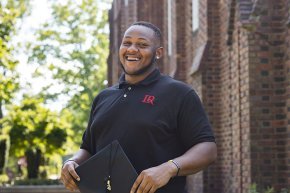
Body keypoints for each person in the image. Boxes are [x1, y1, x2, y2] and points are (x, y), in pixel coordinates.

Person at [61, 21, 217, 193]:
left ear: (158, 53)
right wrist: (72, 162)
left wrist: (168, 168)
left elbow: (207, 149)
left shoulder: (179, 93)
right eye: (127, 43)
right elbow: (88, 148)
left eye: (142, 44)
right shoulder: (103, 98)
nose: (132, 49)